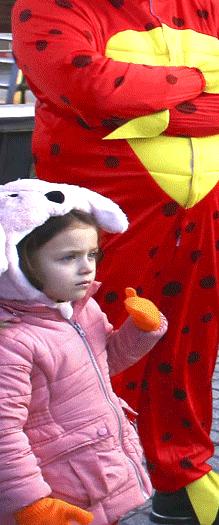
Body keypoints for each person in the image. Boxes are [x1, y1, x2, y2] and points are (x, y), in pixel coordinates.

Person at [10, 0, 219, 523]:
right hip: (95, 228)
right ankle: (75, 493)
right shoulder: (52, 4)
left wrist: (151, 110)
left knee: (189, 347)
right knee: (84, 358)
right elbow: (87, 85)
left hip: (202, 216)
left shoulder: (208, 8)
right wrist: (199, 78)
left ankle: (182, 469)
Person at [0, 180, 167, 525]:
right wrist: (30, 503)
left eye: (91, 254)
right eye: (68, 257)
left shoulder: (81, 309)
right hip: (52, 492)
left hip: (91, 472)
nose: (86, 267)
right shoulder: (11, 341)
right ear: (19, 261)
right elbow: (3, 434)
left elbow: (107, 361)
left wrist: (140, 330)